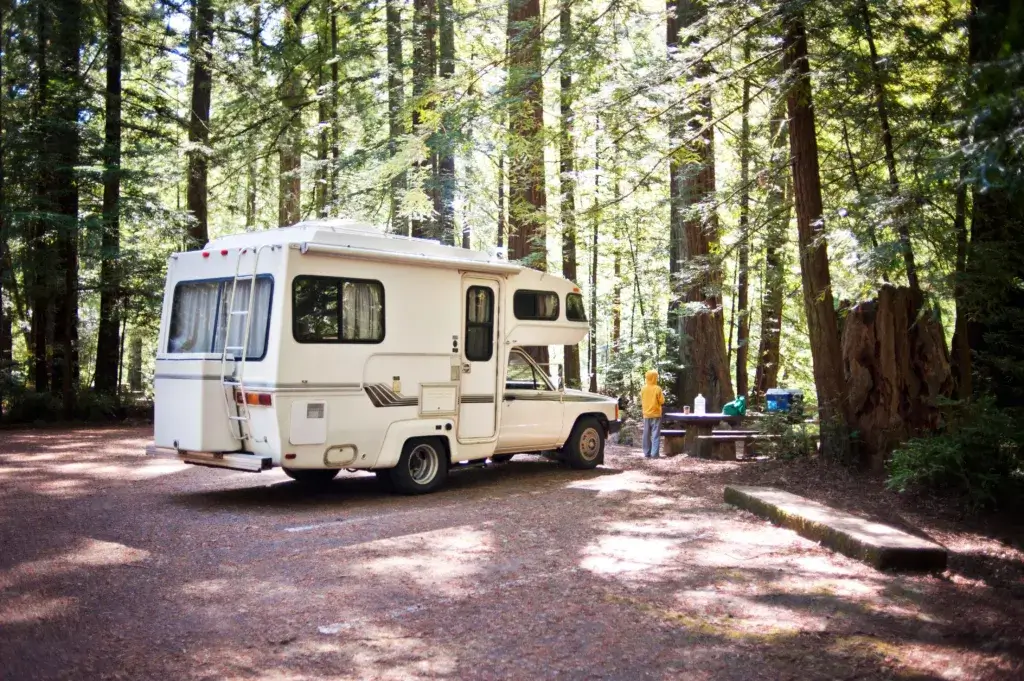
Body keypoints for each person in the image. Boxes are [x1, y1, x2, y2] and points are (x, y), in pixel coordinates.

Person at [640, 369, 665, 458]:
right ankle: (654, 454)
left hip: (646, 415)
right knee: (655, 435)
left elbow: (642, 400)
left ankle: (646, 453)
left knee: (646, 434)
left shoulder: (643, 388)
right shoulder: (657, 389)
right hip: (656, 415)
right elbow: (662, 401)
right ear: (654, 378)